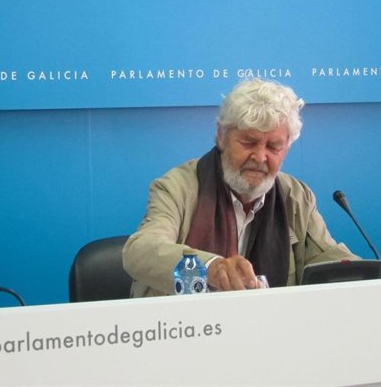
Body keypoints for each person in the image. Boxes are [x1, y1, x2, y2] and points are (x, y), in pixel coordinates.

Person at [123, 78, 357, 296]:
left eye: (273, 147)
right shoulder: (177, 187)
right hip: (184, 323)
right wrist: (210, 268)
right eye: (249, 142)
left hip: (269, 323)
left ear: (286, 149)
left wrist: (365, 278)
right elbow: (140, 251)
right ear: (221, 136)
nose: (260, 157)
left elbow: (329, 260)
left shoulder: (296, 196)